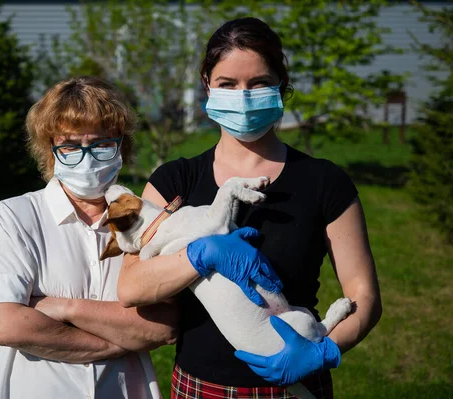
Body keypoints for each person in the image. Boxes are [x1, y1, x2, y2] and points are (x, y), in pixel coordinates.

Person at [116, 17, 382, 399]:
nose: (243, 96)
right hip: (201, 386)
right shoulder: (175, 181)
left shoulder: (324, 182)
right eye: (228, 84)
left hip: (298, 385)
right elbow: (131, 287)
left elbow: (365, 297)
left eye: (258, 83)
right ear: (208, 85)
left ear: (281, 85)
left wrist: (325, 350)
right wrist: (199, 255)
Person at [0, 76, 179, 399]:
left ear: (121, 146)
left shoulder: (143, 221)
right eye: (70, 146)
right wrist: (119, 339)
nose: (87, 157)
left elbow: (163, 326)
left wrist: (64, 308)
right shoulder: (17, 217)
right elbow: (4, 324)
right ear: (51, 150)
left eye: (101, 144)